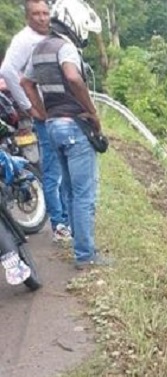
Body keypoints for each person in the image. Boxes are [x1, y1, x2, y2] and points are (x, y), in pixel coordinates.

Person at [22, 0, 107, 269]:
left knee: (70, 190)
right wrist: (91, 111)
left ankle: (80, 245)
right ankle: (86, 255)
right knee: (84, 194)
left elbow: (26, 82)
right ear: (75, 23)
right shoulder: (65, 47)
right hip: (74, 127)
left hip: (54, 127)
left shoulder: (39, 49)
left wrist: (41, 110)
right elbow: (72, 77)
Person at [0, 0, 71, 244]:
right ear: (28, 17)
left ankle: (67, 219)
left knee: (64, 167)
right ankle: (59, 225)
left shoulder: (49, 35)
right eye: (36, 14)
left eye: (45, 13)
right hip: (45, 113)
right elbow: (8, 71)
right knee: (53, 170)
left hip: (59, 111)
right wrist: (29, 107)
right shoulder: (24, 40)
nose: (42, 18)